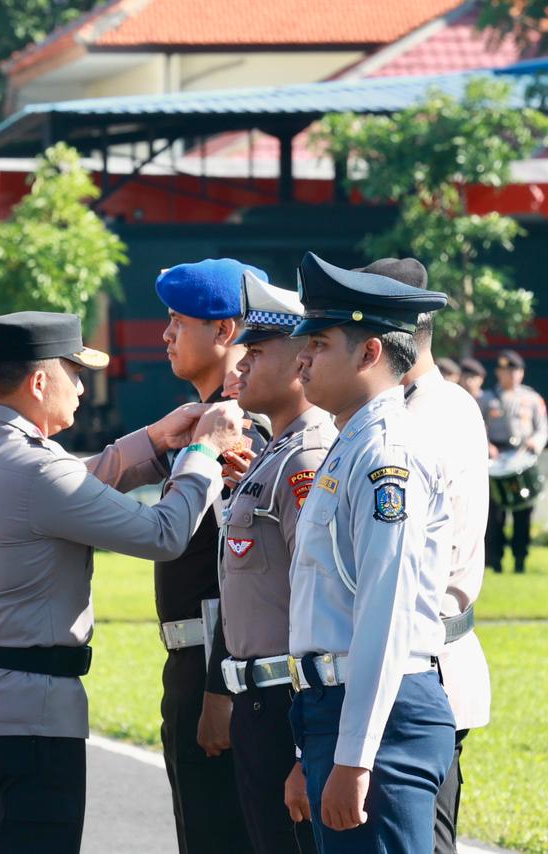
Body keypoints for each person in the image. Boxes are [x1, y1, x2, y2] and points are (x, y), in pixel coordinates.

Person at [0, 311, 243, 853]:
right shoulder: (38, 469)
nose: (81, 387)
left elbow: (64, 492)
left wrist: (153, 440)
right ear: (39, 382)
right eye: (74, 373)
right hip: (26, 720)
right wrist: (202, 454)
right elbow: (162, 533)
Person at [285, 251, 454, 853]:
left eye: (319, 343)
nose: (301, 358)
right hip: (337, 709)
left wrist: (355, 758)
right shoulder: (351, 441)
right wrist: (310, 749)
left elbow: (386, 614)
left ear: (370, 352)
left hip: (382, 718)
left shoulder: (387, 456)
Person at [370, 258, 491, 854]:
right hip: (431, 655)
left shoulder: (419, 417)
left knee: (417, 840)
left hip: (420, 659)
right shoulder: (445, 404)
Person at [217, 271, 333, 854]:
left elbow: (322, 604)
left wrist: (304, 749)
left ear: (299, 362)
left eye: (256, 353)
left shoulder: (306, 459)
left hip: (288, 707)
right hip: (259, 704)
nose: (240, 365)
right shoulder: (277, 453)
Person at [156, 258, 270, 854]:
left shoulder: (238, 431)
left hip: (217, 666)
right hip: (195, 662)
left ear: (225, 330)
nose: (166, 334)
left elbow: (243, 576)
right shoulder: (204, 423)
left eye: (180, 321)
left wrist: (218, 689)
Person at [483, 350, 548, 573]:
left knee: (523, 512)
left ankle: (520, 559)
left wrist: (534, 443)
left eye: (515, 370)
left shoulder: (532, 398)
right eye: (506, 370)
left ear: (521, 373)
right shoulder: (487, 398)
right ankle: (495, 560)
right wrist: (487, 445)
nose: (511, 375)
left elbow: (542, 429)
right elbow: (476, 426)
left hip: (522, 458)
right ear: (498, 373)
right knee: (495, 515)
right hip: (496, 461)